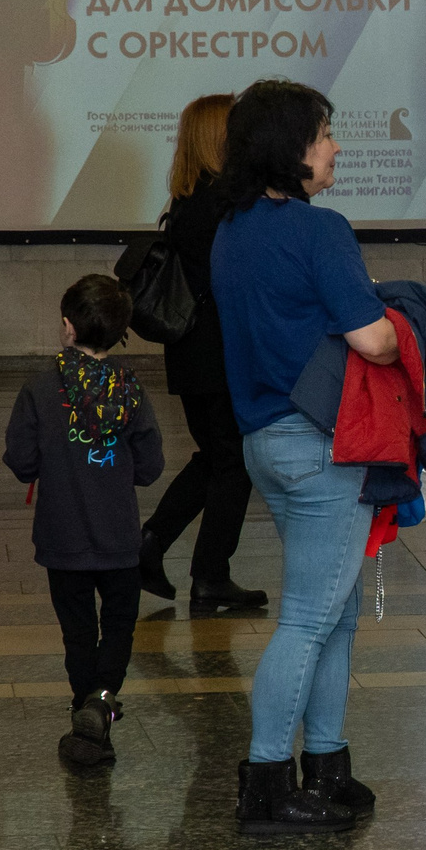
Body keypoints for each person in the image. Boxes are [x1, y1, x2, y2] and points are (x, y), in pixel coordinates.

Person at [215, 78, 396, 835]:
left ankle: (328, 763)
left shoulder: (231, 230)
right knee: (307, 618)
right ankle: (265, 782)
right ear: (292, 150)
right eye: (324, 133)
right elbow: (374, 339)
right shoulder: (322, 232)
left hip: (265, 440)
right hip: (325, 446)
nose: (336, 146)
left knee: (336, 608)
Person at [3, 273, 165, 766]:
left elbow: (21, 460)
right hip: (119, 539)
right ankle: (102, 703)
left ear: (68, 327)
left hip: (62, 538)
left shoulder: (38, 387)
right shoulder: (131, 388)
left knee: (78, 631)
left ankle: (85, 710)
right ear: (119, 332)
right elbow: (151, 466)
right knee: (119, 625)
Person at [136, 94, 269, 615]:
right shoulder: (220, 205)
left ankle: (152, 543)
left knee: (217, 457)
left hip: (197, 355)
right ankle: (210, 575)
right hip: (216, 354)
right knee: (233, 462)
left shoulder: (194, 198)